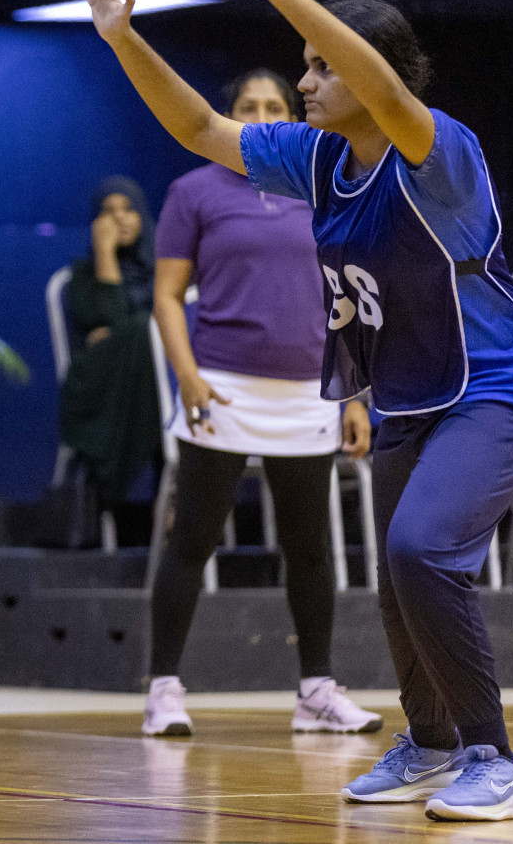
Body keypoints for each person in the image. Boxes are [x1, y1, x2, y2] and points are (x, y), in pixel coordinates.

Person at [70, 0, 513, 822]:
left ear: (372, 75)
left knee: (418, 550)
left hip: (492, 387)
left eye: (321, 68)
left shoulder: (436, 152)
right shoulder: (315, 160)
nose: (306, 82)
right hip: (405, 391)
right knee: (401, 583)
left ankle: (496, 757)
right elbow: (199, 129)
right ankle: (433, 743)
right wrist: (122, 36)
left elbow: (392, 93)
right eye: (302, 66)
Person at [143, 69, 379, 737]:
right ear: (230, 114)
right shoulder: (194, 191)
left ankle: (316, 690)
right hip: (221, 384)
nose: (264, 113)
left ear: (293, 116)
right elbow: (166, 296)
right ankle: (163, 690)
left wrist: (354, 396)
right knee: (193, 539)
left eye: (275, 105)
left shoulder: (323, 186)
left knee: (309, 548)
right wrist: (185, 375)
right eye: (248, 105)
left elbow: (349, 299)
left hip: (311, 390)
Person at [57, 176, 160, 532]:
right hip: (100, 388)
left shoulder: (166, 273)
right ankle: (173, 497)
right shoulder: (82, 278)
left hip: (152, 384)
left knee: (147, 333)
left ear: (144, 216)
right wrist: (104, 254)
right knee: (148, 330)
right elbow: (111, 317)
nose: (119, 219)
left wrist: (121, 333)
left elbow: (113, 329)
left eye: (129, 209)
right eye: (108, 212)